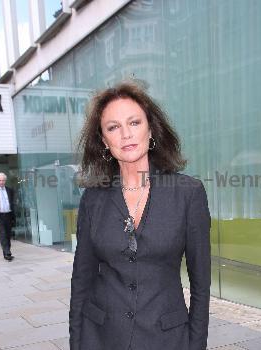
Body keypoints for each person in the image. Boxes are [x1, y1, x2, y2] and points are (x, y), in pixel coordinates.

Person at [69, 81, 211, 350]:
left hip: (167, 338)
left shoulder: (187, 193)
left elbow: (201, 285)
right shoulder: (93, 199)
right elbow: (81, 281)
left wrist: (196, 346)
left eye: (134, 122)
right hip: (100, 337)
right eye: (113, 127)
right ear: (103, 140)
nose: (126, 134)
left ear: (150, 129)